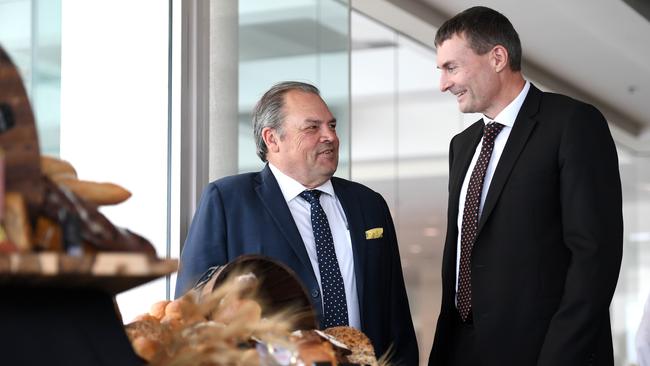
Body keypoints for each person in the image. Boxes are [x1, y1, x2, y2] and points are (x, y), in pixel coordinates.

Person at [428, 6, 623, 366]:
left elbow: (594, 258)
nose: (443, 83)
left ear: (498, 57)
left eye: (451, 67)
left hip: (544, 352)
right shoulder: (463, 145)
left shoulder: (573, 124)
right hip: (462, 350)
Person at [176, 81, 418, 365]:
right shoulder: (229, 200)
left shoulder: (369, 204)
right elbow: (190, 310)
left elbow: (396, 316)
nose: (330, 136)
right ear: (272, 139)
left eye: (332, 125)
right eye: (312, 127)